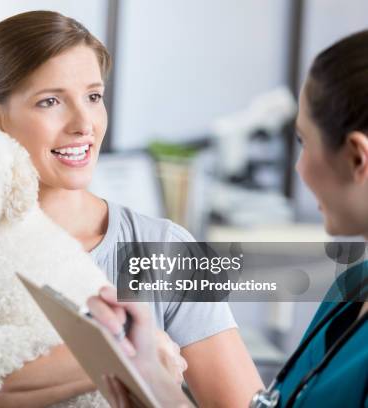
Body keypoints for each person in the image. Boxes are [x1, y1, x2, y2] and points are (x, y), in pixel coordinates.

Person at [0, 10, 263, 407]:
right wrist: (128, 353)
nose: (83, 123)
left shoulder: (162, 246)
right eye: (51, 101)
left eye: (94, 96)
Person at [88, 29, 368, 408]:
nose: (299, 168)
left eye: (304, 143)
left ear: (357, 158)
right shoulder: (352, 287)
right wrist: (155, 383)